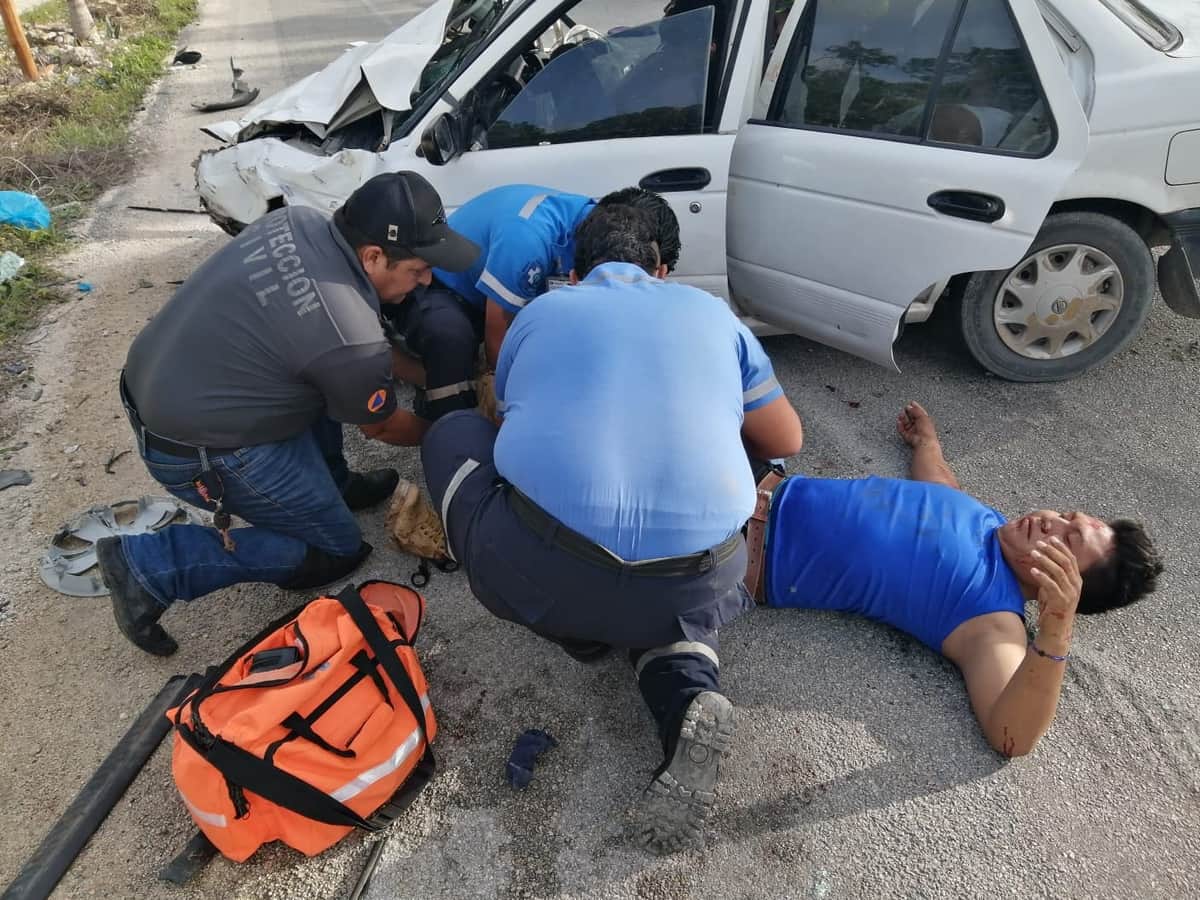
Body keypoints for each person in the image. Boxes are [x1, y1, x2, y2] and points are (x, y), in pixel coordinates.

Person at [419, 202, 803, 853]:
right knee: (726, 487)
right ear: (662, 268)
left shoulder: (543, 313)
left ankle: (577, 628)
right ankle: (686, 690)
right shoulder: (714, 316)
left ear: (573, 270)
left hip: (546, 572)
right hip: (696, 579)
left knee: (456, 432)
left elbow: (514, 420)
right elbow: (786, 438)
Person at [97, 172, 480, 657]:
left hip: (161, 381)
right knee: (338, 550)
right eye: (419, 270)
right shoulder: (348, 337)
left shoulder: (298, 221)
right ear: (374, 257)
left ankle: (331, 484)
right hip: (195, 449)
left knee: (317, 380)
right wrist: (451, 431)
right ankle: (148, 567)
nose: (427, 281)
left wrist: (434, 378)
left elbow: (355, 358)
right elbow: (380, 420)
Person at [747, 402, 1163, 756]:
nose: (1050, 521)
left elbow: (1012, 737)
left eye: (1066, 541)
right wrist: (927, 443)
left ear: (1062, 583)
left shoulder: (993, 621)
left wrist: (1056, 632)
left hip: (737, 550)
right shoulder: (986, 519)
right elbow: (941, 484)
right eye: (1066, 516)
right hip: (759, 479)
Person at [381, 184, 681, 422]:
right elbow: (497, 330)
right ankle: (445, 413)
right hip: (439, 284)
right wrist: (506, 404)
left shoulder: (598, 235)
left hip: (493, 290)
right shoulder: (529, 238)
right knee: (453, 339)